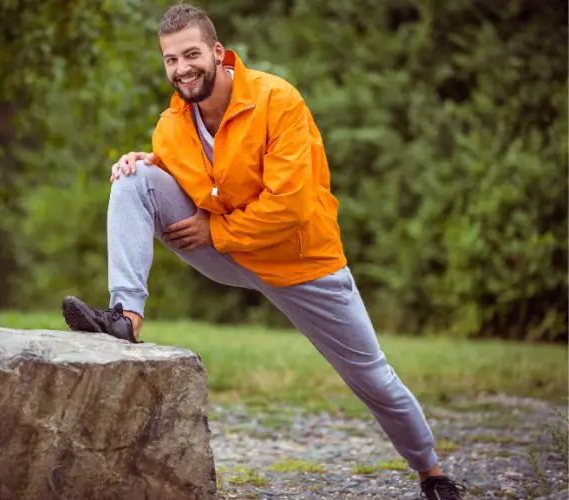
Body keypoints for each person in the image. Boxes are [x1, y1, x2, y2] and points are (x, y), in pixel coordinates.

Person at [61, 3, 466, 499]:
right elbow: (186, 179)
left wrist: (217, 233)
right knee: (132, 181)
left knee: (372, 376)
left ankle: (431, 472)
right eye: (170, 60)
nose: (182, 68)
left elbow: (291, 207)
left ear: (217, 52)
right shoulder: (171, 125)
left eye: (191, 54)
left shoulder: (278, 100)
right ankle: (126, 318)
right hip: (228, 254)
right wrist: (147, 163)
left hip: (301, 264)